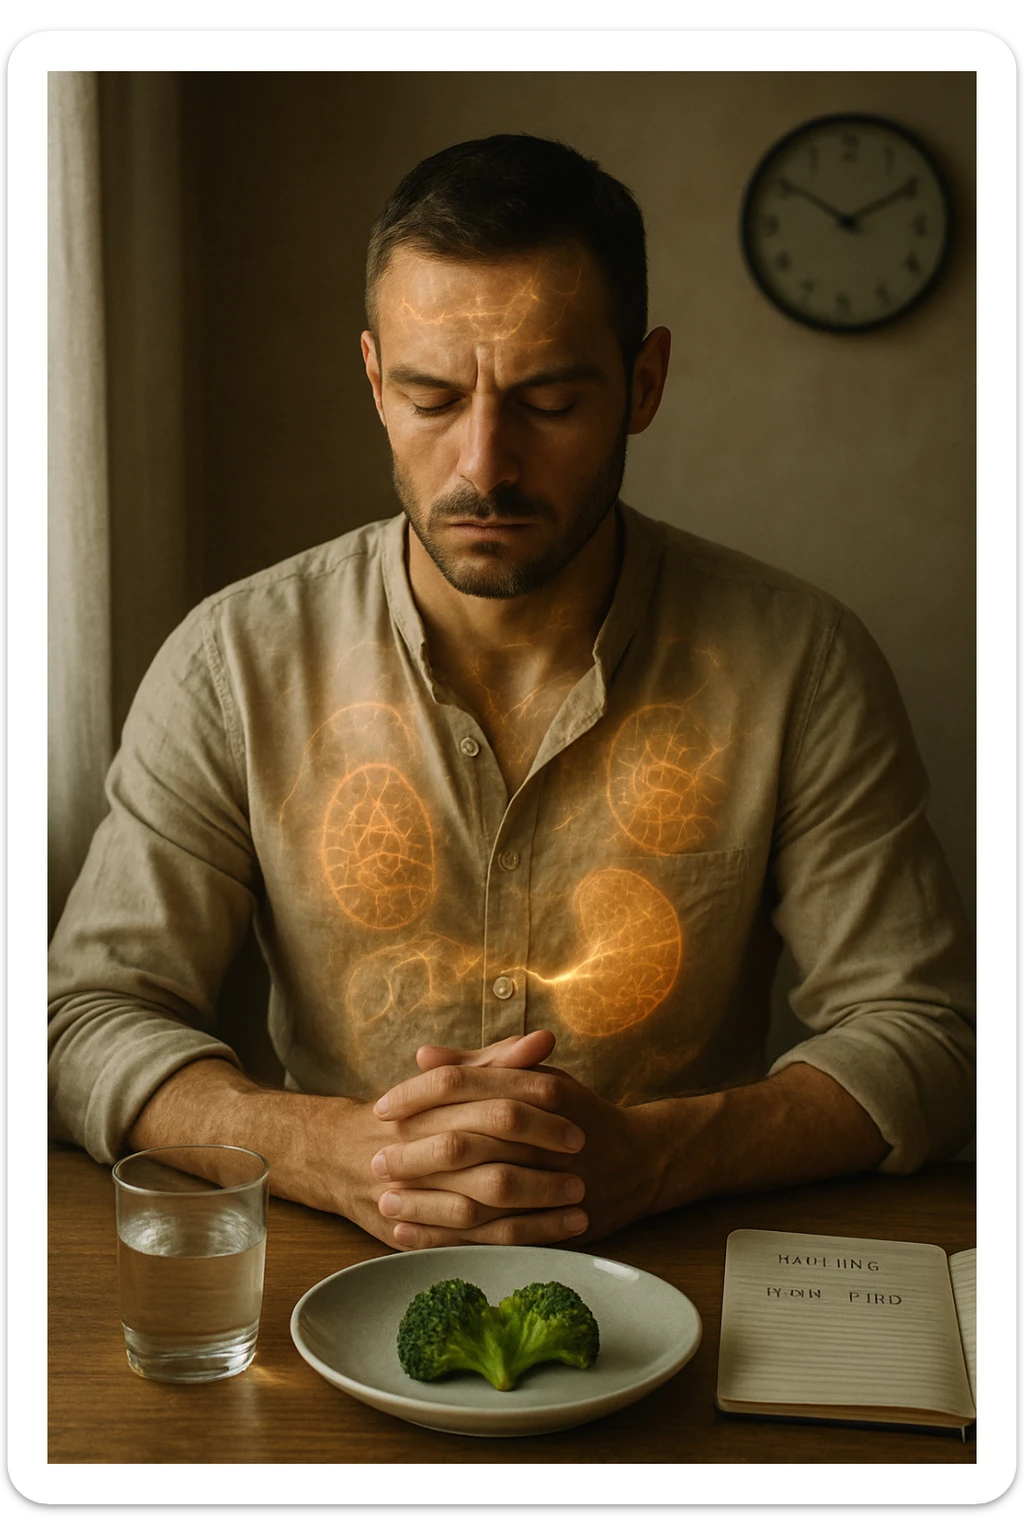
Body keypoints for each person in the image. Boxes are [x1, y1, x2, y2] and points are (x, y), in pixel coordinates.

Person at [48, 134, 975, 1251]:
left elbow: (930, 1034)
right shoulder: (232, 660)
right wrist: (320, 1148)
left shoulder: (802, 662)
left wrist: (664, 1153)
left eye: (545, 399)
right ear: (375, 383)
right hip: (332, 1274)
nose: (484, 463)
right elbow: (81, 1019)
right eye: (433, 397)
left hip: (682, 1267)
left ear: (643, 385)